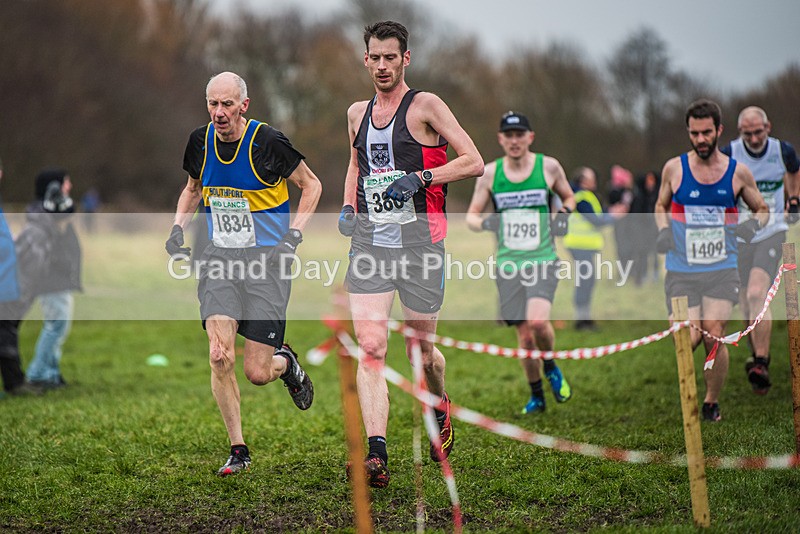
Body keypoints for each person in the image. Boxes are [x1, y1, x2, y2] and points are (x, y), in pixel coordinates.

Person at [337, 21, 483, 488]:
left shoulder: (426, 106)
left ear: (406, 59)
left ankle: (440, 403)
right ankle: (376, 453)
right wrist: (347, 205)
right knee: (373, 348)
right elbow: (356, 164)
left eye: (390, 57)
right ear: (365, 60)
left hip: (422, 246)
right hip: (371, 246)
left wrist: (421, 179)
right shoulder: (356, 113)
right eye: (374, 57)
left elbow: (474, 161)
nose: (381, 66)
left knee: (421, 353)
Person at [165, 71, 322, 477]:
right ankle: (238, 449)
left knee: (256, 372)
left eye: (227, 104)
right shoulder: (199, 142)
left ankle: (285, 362)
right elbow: (192, 188)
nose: (219, 113)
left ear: (243, 106)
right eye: (213, 104)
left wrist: (294, 236)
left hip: (267, 265)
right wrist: (177, 228)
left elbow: (312, 186)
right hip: (219, 260)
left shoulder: (268, 142)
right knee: (219, 355)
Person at [655, 99, 768, 422]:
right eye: (694, 133)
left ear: (719, 130)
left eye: (706, 133)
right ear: (688, 132)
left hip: (721, 269)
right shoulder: (674, 169)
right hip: (681, 270)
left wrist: (750, 226)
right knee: (687, 338)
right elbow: (660, 205)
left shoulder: (737, 173)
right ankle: (692, 392)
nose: (701, 140)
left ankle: (710, 402)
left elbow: (763, 209)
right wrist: (663, 230)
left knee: (713, 334)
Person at [466, 111, 575, 415]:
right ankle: (536, 396)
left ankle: (551, 366)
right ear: (501, 139)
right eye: (508, 135)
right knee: (525, 337)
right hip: (508, 265)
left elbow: (570, 196)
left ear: (530, 137)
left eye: (519, 135)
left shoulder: (548, 167)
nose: (514, 141)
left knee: (539, 322)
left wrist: (564, 213)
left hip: (542, 259)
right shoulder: (490, 173)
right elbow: (472, 216)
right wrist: (488, 224)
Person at [720, 106, 800, 395]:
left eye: (758, 132)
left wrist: (793, 198)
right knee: (745, 300)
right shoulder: (730, 152)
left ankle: (762, 361)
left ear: (768, 126)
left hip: (770, 230)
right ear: (739, 132)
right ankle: (756, 358)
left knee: (756, 293)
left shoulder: (783, 151)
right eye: (747, 133)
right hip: (740, 234)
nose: (754, 138)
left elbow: (794, 171)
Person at [25, 169, 82, 390]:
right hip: (52, 279)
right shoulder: (47, 211)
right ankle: (38, 373)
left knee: (58, 327)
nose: (69, 186)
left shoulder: (47, 209)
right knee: (55, 326)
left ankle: (50, 373)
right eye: (65, 182)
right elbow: (66, 214)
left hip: (59, 278)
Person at [563, 167, 626, 330]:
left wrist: (610, 212)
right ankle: (581, 320)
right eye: (591, 178)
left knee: (587, 281)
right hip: (579, 245)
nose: (595, 180)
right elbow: (596, 220)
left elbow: (599, 214)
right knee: (585, 282)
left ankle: (585, 318)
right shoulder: (580, 198)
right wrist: (613, 216)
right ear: (583, 181)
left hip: (585, 246)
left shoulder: (588, 196)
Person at [630, 171, 661, 285]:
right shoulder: (639, 196)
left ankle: (655, 274)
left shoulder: (658, 196)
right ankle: (641, 275)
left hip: (654, 228)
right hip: (641, 229)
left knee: (655, 252)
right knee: (642, 252)